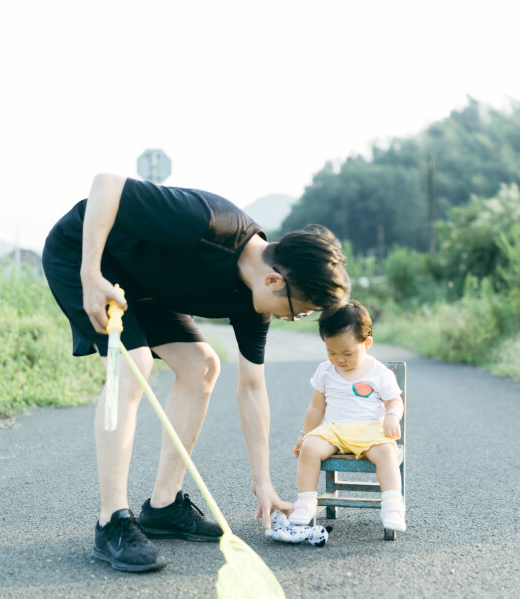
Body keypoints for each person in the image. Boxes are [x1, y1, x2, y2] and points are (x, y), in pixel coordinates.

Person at [42, 173, 350, 573]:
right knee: (132, 365)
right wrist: (90, 275)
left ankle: (164, 507)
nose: (293, 318)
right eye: (298, 310)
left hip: (144, 284)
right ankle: (111, 522)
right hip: (83, 256)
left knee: (203, 366)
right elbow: (106, 185)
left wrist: (264, 482)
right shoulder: (209, 223)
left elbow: (253, 388)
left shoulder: (254, 300)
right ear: (275, 280)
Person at [291, 300, 406, 532]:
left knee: (386, 452)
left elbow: (394, 400)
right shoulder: (325, 370)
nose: (339, 360)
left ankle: (393, 504)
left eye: (347, 353)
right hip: (333, 429)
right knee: (310, 448)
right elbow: (316, 408)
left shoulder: (379, 373)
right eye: (331, 352)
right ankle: (305, 501)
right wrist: (305, 434)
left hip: (370, 430)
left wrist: (392, 414)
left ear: (367, 343)